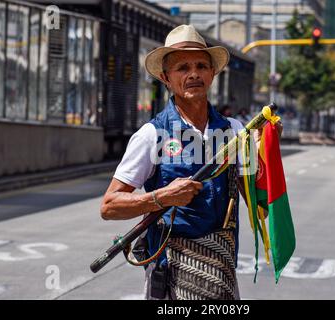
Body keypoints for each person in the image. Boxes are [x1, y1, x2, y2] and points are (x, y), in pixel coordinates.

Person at [100, 25, 281, 300]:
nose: (194, 74)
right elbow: (109, 206)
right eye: (182, 68)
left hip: (220, 274)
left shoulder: (233, 131)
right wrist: (162, 197)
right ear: (166, 78)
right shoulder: (152, 135)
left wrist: (265, 147)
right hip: (170, 275)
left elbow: (260, 204)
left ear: (212, 73)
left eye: (201, 66)